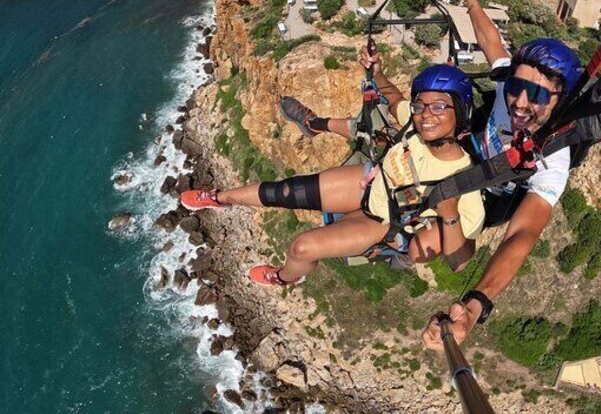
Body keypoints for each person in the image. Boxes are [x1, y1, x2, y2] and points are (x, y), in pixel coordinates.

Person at [179, 51, 485, 285]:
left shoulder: (464, 182)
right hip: (368, 184)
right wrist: (376, 73)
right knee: (286, 191)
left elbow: (459, 262)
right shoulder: (415, 126)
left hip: (383, 220)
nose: (426, 115)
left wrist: (449, 214)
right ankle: (221, 198)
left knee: (302, 248)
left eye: (440, 106)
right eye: (421, 106)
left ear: (460, 113)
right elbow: (394, 99)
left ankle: (285, 278)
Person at [421, 0, 583, 350]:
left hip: (494, 195)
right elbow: (491, 40)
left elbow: (522, 235)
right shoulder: (508, 87)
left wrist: (475, 306)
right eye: (517, 86)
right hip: (471, 159)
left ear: (559, 103)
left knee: (444, 249)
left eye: (540, 95)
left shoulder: (553, 160)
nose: (522, 103)